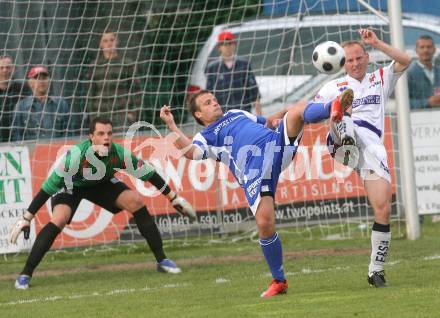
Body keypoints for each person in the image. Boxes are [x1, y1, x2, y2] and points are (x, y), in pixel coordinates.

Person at [159, 88, 353, 298]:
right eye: (207, 103)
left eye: (214, 99)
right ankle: (279, 281)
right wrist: (171, 125)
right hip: (254, 168)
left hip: (276, 144)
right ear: (198, 114)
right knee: (265, 223)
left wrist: (281, 115)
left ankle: (334, 107)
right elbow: (191, 152)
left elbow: (268, 121)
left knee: (296, 110)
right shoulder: (205, 136)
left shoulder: (236, 113)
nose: (214, 103)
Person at [9, 117, 196, 290]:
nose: (106, 137)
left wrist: (173, 197)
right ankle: (25, 274)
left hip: (101, 184)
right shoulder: (75, 157)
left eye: (109, 133)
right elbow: (47, 189)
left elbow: (150, 174)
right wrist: (26, 218)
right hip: (71, 185)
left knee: (136, 201)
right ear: (91, 137)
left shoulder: (118, 154)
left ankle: (162, 261)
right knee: (59, 218)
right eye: (100, 134)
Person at [304, 29, 412, 287]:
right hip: (341, 141)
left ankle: (376, 271)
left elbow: (405, 60)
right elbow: (308, 112)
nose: (354, 63)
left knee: (383, 209)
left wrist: (377, 42)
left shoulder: (380, 78)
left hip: (371, 151)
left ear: (366, 57)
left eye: (358, 58)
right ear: (342, 63)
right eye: (349, 60)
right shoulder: (333, 86)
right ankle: (343, 121)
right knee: (342, 108)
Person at [87, 30, 143, 132]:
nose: (109, 43)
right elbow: (91, 93)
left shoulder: (127, 63)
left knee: (123, 146)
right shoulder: (94, 66)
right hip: (101, 116)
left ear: (117, 41)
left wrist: (132, 114)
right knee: (103, 147)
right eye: (105, 41)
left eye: (112, 40)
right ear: (101, 44)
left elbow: (137, 90)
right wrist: (93, 117)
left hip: (122, 116)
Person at [205, 31, 262, 115]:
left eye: (229, 43)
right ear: (219, 47)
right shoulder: (212, 67)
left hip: (243, 112)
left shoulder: (244, 64)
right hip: (223, 115)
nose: (227, 47)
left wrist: (260, 117)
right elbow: (209, 94)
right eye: (224, 44)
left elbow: (254, 92)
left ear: (234, 45)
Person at [10, 65, 71, 141]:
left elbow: (69, 133)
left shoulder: (61, 104)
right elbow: (17, 136)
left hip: (57, 150)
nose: (41, 81)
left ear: (49, 81)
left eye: (44, 78)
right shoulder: (21, 107)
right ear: (30, 83)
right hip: (32, 151)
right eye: (37, 78)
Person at [0, 55, 29, 142]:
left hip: (20, 141)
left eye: (8, 67)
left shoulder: (23, 89)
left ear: (13, 69)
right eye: (1, 68)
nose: (4, 70)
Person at [407, 34, 440, 109]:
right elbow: (404, 103)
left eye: (429, 47)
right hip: (420, 118)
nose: (426, 50)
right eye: (422, 47)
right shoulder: (410, 74)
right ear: (416, 50)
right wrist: (428, 102)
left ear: (434, 49)